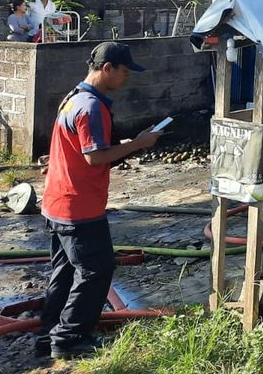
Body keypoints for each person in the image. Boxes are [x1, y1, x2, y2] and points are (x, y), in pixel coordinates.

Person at [38, 42, 161, 360]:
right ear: (108, 69)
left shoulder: (73, 98)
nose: (127, 78)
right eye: (124, 71)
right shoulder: (91, 107)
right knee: (97, 270)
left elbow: (87, 149)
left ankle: (49, 333)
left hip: (57, 202)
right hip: (79, 206)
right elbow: (94, 158)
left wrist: (128, 143)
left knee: (64, 271)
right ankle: (69, 338)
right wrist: (137, 144)